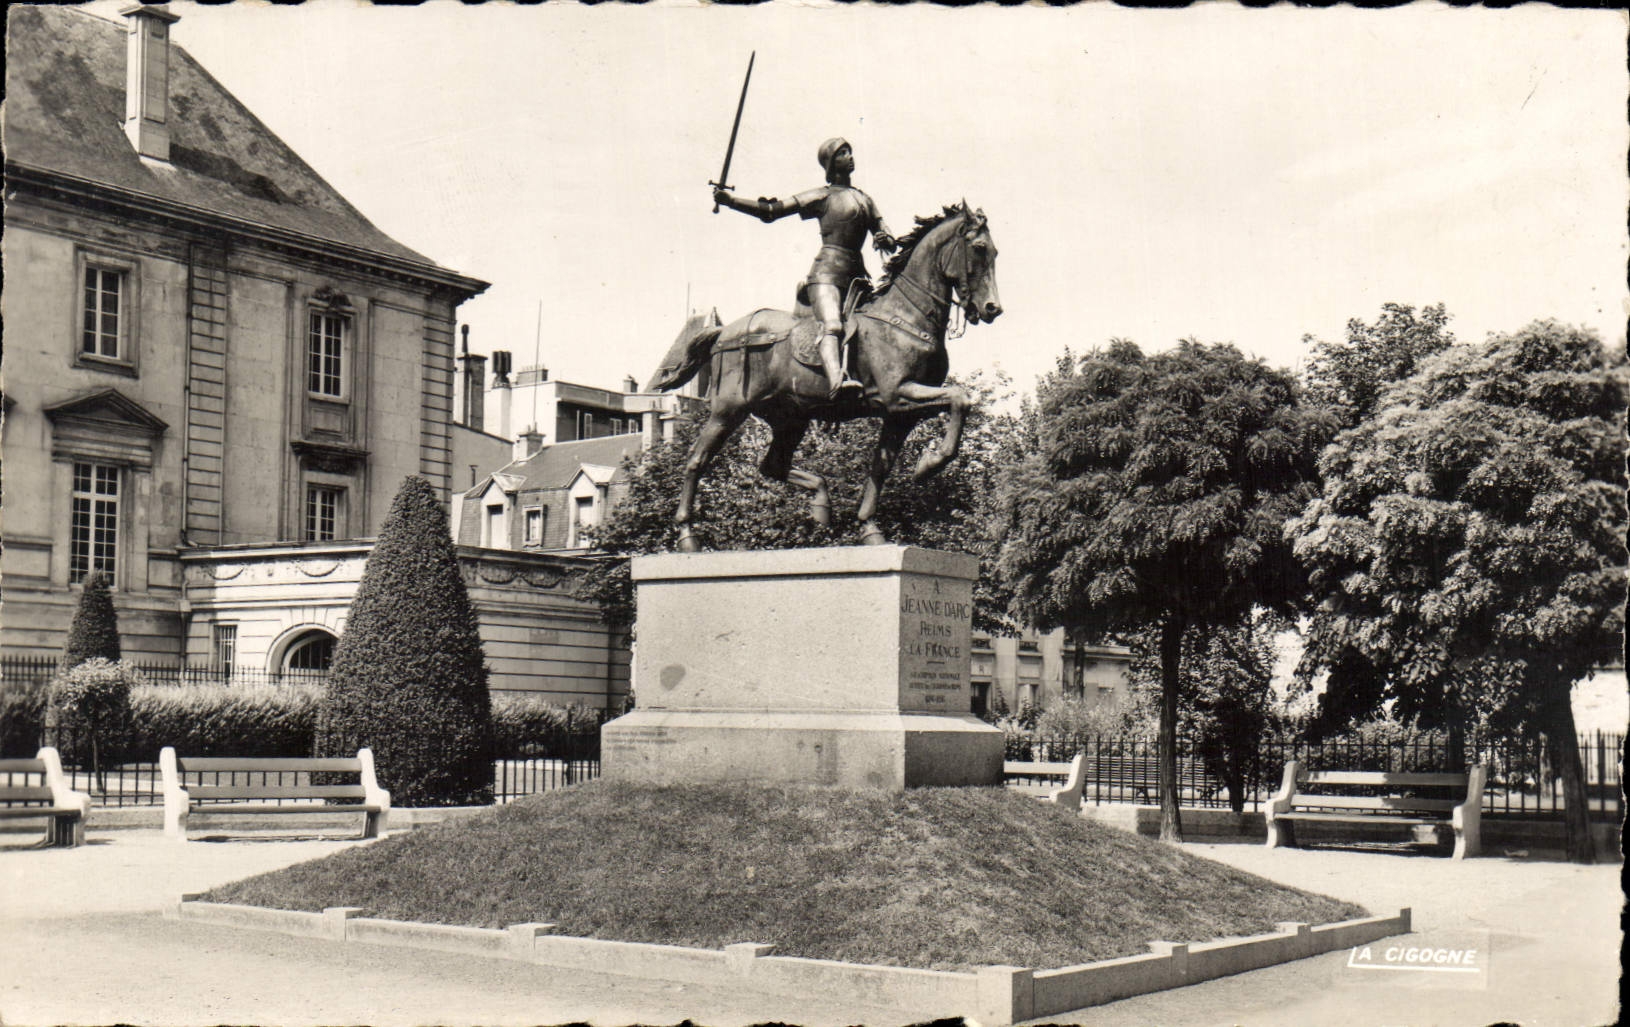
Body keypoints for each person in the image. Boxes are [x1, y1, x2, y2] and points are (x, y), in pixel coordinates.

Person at [713, 137, 897, 399]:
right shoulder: (820, 196)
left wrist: (884, 239)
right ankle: (837, 381)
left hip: (858, 280)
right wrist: (731, 201)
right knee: (832, 325)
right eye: (843, 153)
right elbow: (771, 211)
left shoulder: (865, 200)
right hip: (827, 276)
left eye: (850, 151)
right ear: (832, 163)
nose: (850, 156)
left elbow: (887, 237)